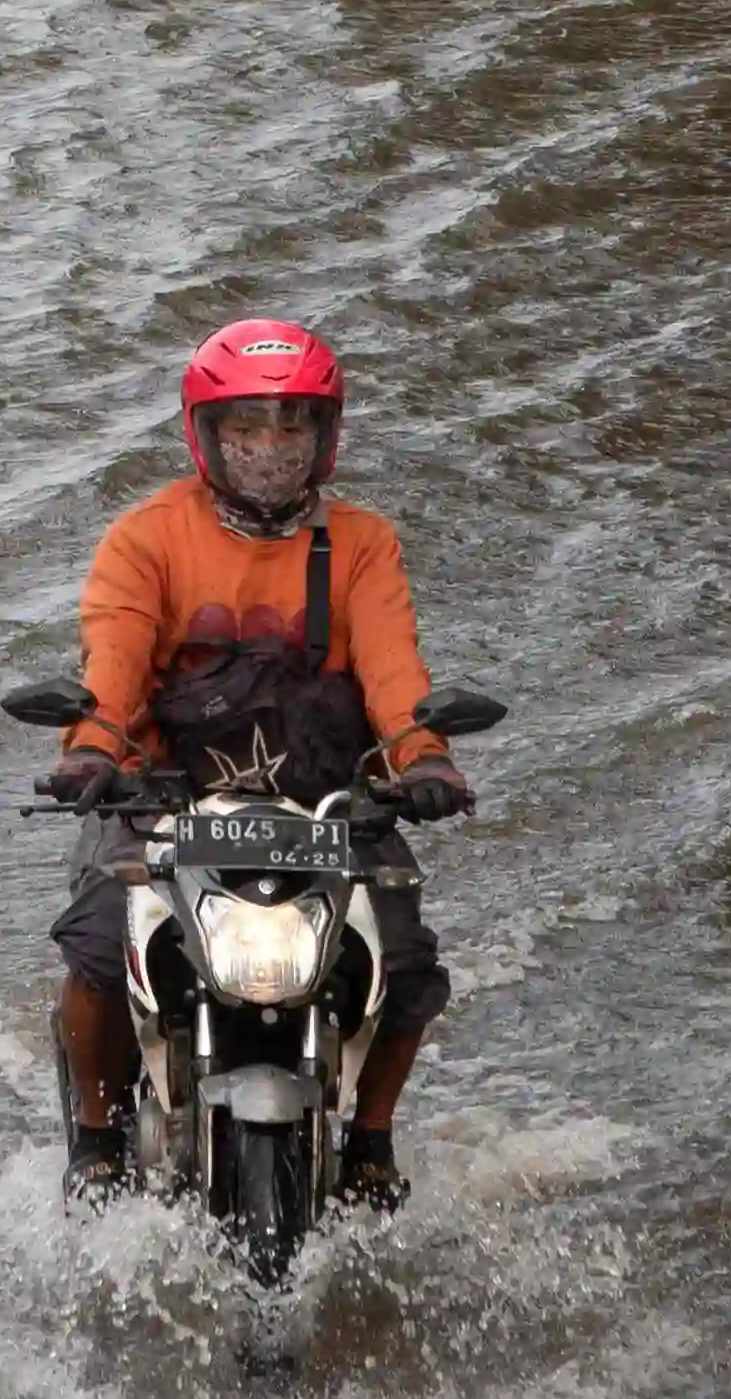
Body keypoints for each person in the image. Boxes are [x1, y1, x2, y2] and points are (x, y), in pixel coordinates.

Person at [37, 322, 470, 1213]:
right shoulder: (145, 538)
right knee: (91, 945)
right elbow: (111, 660)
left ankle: (371, 1141)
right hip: (166, 796)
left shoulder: (361, 544)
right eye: (247, 432)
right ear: (206, 436)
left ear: (325, 437)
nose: (269, 453)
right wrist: (90, 749)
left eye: (289, 431)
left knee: (409, 965)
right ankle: (92, 1134)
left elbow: (394, 670)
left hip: (325, 801)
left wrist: (424, 759)